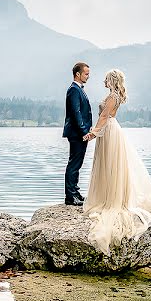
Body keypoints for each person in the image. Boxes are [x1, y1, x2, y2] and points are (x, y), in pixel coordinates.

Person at [82, 69, 151, 254]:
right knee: (111, 165)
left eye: (106, 79)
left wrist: (93, 133)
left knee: (109, 165)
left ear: (111, 80)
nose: (103, 81)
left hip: (108, 131)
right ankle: (108, 195)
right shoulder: (116, 95)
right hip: (111, 130)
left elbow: (104, 116)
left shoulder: (112, 96)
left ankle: (109, 199)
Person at [62, 62, 93, 206]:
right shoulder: (74, 89)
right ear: (78, 74)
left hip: (79, 133)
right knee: (74, 164)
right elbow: (76, 113)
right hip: (77, 133)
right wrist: (84, 131)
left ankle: (75, 192)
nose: (88, 76)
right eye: (86, 74)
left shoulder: (79, 89)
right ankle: (70, 196)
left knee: (77, 164)